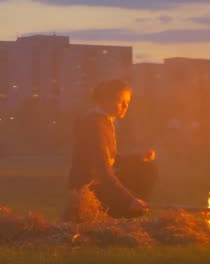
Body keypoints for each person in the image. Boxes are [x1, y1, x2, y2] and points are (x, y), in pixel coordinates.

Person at [65, 79, 157, 220]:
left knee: (145, 167)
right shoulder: (95, 124)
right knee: (146, 172)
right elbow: (103, 170)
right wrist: (129, 200)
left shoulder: (104, 120)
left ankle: (131, 209)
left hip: (98, 184)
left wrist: (140, 157)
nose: (125, 106)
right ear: (106, 100)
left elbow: (112, 159)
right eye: (121, 101)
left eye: (128, 102)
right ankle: (124, 211)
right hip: (88, 191)